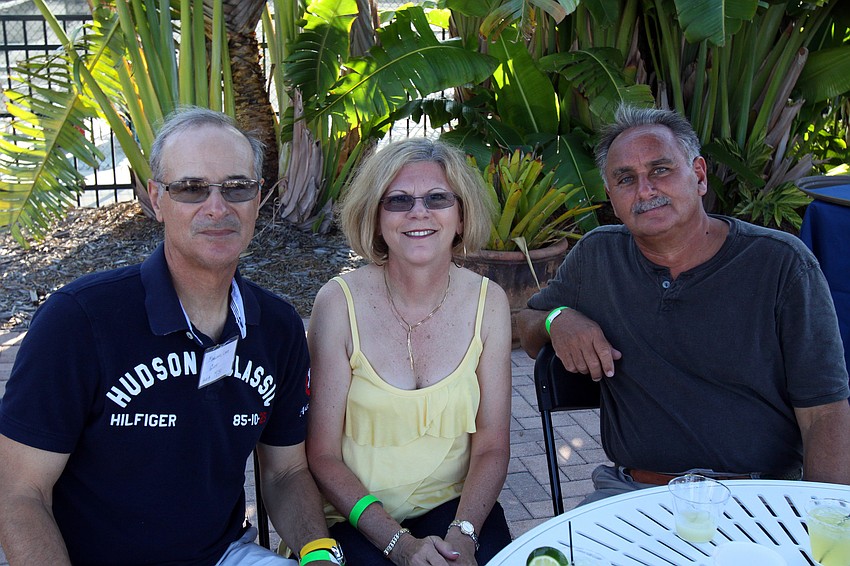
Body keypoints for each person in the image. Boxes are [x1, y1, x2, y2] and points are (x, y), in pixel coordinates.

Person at [0, 108, 341, 566]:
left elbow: (286, 471)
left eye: (237, 187)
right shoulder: (80, 322)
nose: (217, 207)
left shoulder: (276, 327)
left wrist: (319, 553)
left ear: (258, 199)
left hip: (224, 556)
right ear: (157, 199)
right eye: (191, 188)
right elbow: (19, 493)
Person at [518, 105, 850, 503]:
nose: (645, 190)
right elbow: (528, 326)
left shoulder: (780, 264)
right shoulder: (597, 257)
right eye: (626, 179)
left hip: (759, 495)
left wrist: (821, 521)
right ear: (611, 196)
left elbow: (825, 413)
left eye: (660, 170)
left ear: (699, 175)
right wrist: (558, 318)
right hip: (633, 493)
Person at [305, 138, 513, 565]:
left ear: (460, 216)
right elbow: (322, 457)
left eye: (437, 198)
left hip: (455, 513)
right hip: (355, 517)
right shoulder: (337, 303)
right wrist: (397, 544)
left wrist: (464, 536)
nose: (419, 212)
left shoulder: (488, 302)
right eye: (398, 201)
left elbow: (491, 443)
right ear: (376, 219)